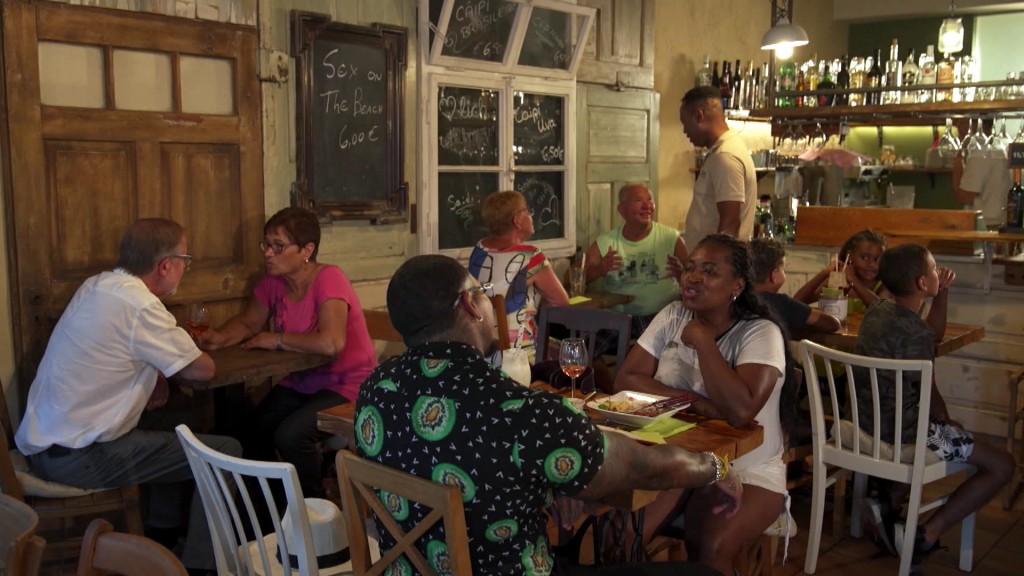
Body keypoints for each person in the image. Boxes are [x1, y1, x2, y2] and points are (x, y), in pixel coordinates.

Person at [356, 254, 741, 576]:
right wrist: (715, 467)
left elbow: (454, 461)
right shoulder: (520, 411)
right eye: (483, 292)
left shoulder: (376, 389)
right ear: (469, 305)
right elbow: (646, 468)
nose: (488, 302)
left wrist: (550, 485)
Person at [14, 218, 241, 573]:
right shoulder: (141, 306)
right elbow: (203, 370)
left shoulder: (98, 285)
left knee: (181, 424)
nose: (185, 268)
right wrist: (165, 367)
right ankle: (200, 566)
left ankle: (160, 537)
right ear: (165, 265)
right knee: (225, 452)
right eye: (186, 259)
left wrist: (154, 372)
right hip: (79, 458)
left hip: (45, 443)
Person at [616, 234, 795, 576]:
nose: (694, 277)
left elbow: (741, 411)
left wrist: (702, 341)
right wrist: (700, 403)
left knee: (708, 549)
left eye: (709, 271)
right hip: (679, 455)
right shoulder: (673, 314)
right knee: (622, 534)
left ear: (737, 285)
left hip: (748, 467)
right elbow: (628, 378)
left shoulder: (760, 333)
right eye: (690, 268)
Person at [853, 243, 1014, 571]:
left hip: (866, 422)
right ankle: (923, 536)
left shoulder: (877, 310)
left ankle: (886, 503)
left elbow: (930, 334)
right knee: (1003, 465)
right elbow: (930, 399)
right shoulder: (915, 334)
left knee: (938, 426)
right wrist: (948, 421)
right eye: (933, 268)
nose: (937, 271)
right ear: (922, 284)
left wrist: (941, 293)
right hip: (903, 432)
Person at [200, 207, 376, 498]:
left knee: (291, 435)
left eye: (278, 246)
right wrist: (217, 338)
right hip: (303, 382)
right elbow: (247, 322)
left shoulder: (329, 278)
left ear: (307, 249)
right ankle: (276, 507)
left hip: (349, 383)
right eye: (266, 245)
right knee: (249, 432)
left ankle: (316, 513)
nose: (268, 253)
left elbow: (332, 344)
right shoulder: (273, 282)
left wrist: (277, 339)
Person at [467, 190, 570, 359]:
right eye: (527, 210)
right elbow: (561, 303)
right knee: (582, 357)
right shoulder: (530, 256)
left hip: (484, 350)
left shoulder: (479, 251)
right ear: (517, 221)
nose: (531, 214)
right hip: (522, 353)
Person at [584, 183, 688, 337]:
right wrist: (599, 269)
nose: (647, 206)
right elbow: (572, 279)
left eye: (650, 200)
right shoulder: (606, 242)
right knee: (584, 339)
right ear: (622, 209)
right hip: (617, 319)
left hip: (662, 318)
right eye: (638, 201)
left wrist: (681, 275)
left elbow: (694, 284)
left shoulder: (671, 238)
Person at [679, 85, 757, 250]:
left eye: (685, 123)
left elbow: (730, 222)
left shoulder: (725, 156)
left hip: (717, 268)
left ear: (699, 116)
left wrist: (714, 268)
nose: (685, 131)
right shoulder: (722, 151)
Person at [750, 237, 841, 335]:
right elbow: (833, 324)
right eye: (783, 269)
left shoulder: (739, 298)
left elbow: (797, 302)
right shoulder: (782, 304)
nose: (785, 274)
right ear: (774, 275)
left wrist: (825, 273)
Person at [794, 229, 890, 314]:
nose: (872, 265)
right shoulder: (837, 282)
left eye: (878, 259)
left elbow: (881, 310)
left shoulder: (884, 285)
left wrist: (853, 279)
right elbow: (796, 302)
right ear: (850, 256)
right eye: (865, 258)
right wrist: (824, 273)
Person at [954, 148, 1010, 230]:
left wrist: (957, 164)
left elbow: (964, 196)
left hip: (985, 225)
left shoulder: (980, 155)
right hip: (1004, 221)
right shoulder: (1004, 149)